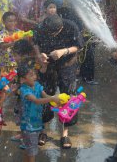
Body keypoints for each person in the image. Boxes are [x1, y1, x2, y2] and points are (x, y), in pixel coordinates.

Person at [33, 14, 83, 149]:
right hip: (47, 66)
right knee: (45, 95)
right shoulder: (41, 27)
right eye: (49, 32)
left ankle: (65, 133)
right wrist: (39, 55)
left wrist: (64, 51)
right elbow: (35, 43)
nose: (51, 35)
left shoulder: (71, 26)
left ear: (61, 28)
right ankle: (43, 131)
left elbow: (79, 46)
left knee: (68, 97)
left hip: (67, 66)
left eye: (54, 33)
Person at [17, 62, 60, 162]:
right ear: (23, 79)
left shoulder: (37, 85)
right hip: (28, 126)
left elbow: (46, 96)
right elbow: (36, 101)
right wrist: (52, 98)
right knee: (32, 151)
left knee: (29, 149)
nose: (35, 77)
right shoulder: (24, 90)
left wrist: (57, 100)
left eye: (34, 74)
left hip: (36, 123)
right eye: (31, 75)